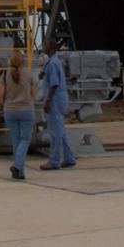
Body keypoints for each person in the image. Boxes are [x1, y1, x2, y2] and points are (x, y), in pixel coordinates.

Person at [39, 38, 76, 170]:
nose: (42, 47)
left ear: (50, 48)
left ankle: (54, 160)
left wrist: (47, 101)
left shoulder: (52, 64)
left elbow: (54, 84)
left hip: (54, 101)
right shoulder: (54, 62)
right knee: (61, 131)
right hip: (60, 99)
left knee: (55, 132)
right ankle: (68, 157)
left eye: (44, 44)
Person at [0, 49, 35, 180]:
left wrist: (2, 105)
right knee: (25, 140)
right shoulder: (29, 74)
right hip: (26, 110)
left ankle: (20, 172)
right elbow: (33, 95)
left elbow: (0, 95)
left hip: (10, 110)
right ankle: (17, 165)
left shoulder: (4, 75)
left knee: (16, 141)